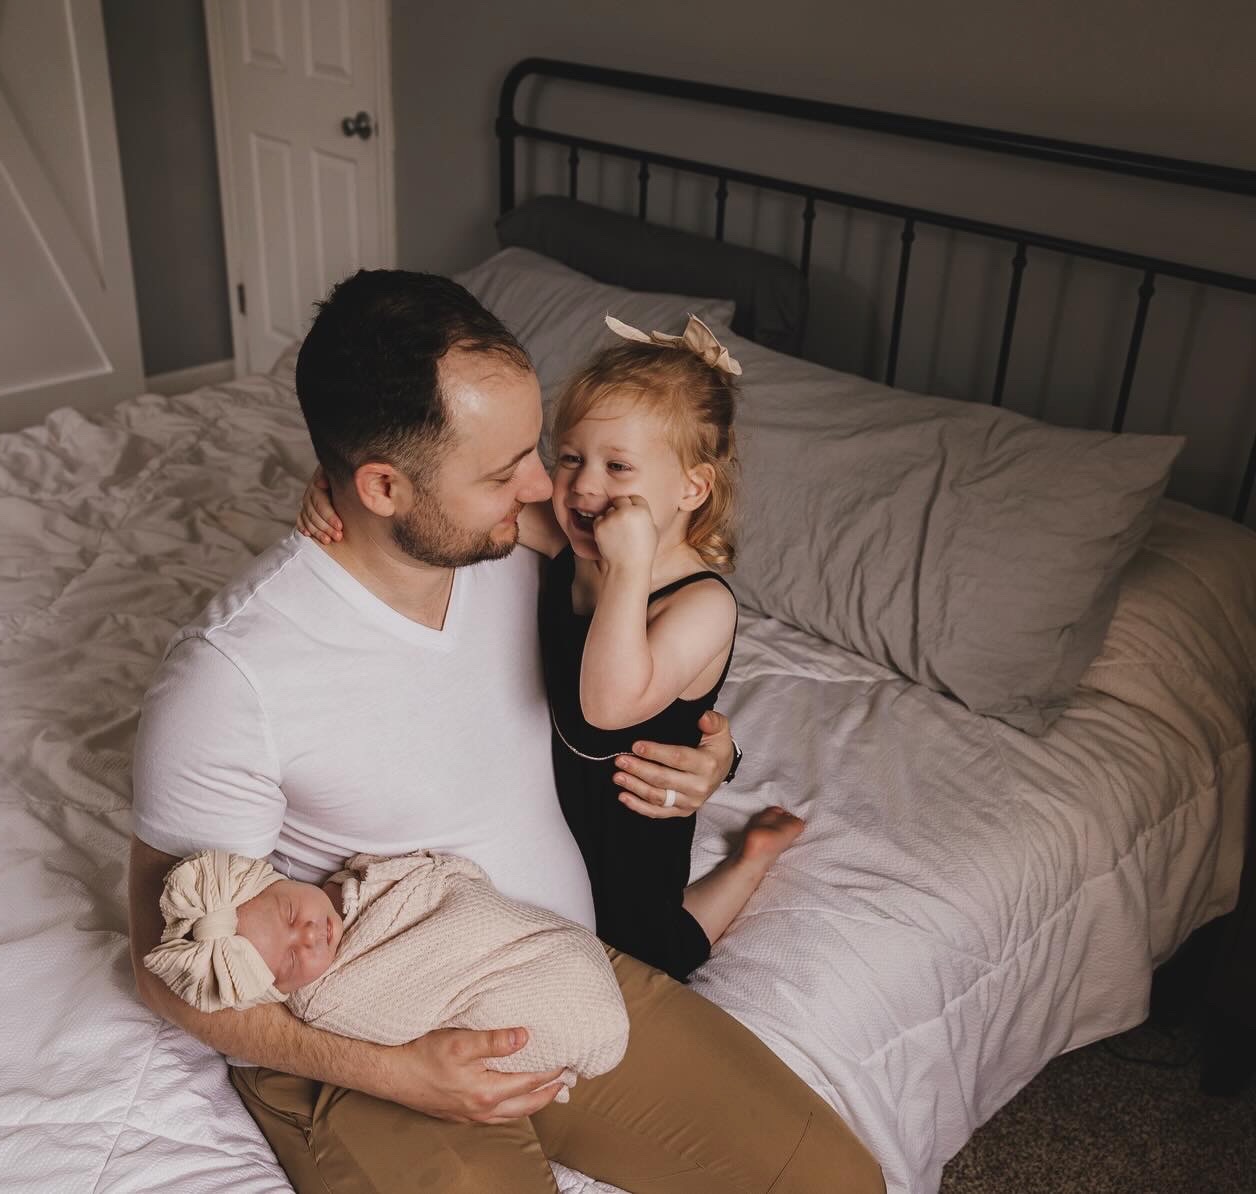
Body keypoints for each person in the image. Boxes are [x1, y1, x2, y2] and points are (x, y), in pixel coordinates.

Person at [127, 268, 884, 1193]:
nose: (551, 489)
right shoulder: (231, 677)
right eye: (507, 470)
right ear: (381, 486)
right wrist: (399, 1074)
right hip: (367, 1022)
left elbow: (650, 672)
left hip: (554, 969)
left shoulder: (523, 545)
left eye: (542, 450)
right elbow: (167, 970)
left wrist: (712, 759)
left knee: (839, 1184)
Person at [299, 313, 805, 982]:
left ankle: (750, 861)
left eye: (617, 466)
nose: (584, 486)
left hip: (633, 812)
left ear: (692, 486)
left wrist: (625, 572)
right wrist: (337, 486)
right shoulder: (571, 540)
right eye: (570, 458)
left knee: (650, 945)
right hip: (550, 792)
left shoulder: (700, 604)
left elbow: (606, 704)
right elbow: (447, 507)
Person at [142, 847, 629, 1100]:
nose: (310, 936)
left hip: (558, 949)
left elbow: (443, 884)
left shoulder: (356, 883)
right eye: (292, 961)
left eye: (291, 914)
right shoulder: (328, 997)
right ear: (277, 990)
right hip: (498, 1001)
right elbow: (398, 1007)